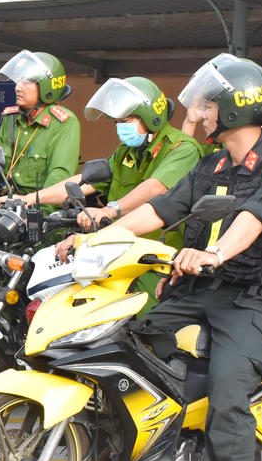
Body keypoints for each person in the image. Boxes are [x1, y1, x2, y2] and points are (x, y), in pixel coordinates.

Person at [99, 55, 262, 461]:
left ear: (236, 107)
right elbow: (162, 210)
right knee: (119, 346)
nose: (199, 111)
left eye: (207, 102)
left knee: (227, 389)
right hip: (198, 287)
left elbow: (255, 221)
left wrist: (215, 253)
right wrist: (93, 238)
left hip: (254, 297)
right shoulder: (211, 164)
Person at [20, 77, 201, 306]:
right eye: (116, 122)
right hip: (113, 254)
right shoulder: (127, 151)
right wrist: (31, 199)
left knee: (140, 324)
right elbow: (84, 182)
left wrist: (111, 209)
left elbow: (156, 186)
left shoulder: (181, 148)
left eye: (124, 121)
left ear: (150, 118)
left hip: (154, 263)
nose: (119, 127)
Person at [0, 50, 81, 198]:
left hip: (41, 211)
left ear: (46, 88)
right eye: (18, 81)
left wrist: (34, 206)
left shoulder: (64, 122)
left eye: (26, 82)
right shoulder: (11, 118)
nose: (17, 88)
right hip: (8, 202)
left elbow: (59, 176)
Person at [182, 53, 262, 152]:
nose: (205, 112)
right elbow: (187, 168)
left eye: (209, 105)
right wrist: (190, 123)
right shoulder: (220, 134)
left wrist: (249, 116)